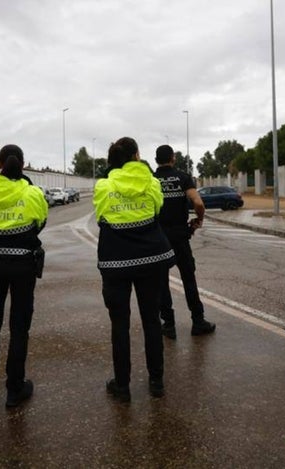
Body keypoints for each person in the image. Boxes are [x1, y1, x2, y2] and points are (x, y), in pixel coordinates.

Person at [94, 137, 175, 403]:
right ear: (137, 155)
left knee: (119, 324)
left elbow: (101, 216)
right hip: (152, 258)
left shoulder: (104, 185)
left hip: (116, 261)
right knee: (152, 320)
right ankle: (157, 381)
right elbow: (157, 208)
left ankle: (122, 385)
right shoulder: (151, 182)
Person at [0, 144, 48, 408]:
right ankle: (15, 387)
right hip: (23, 264)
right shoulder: (32, 192)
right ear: (23, 164)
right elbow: (40, 222)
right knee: (19, 326)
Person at [153, 144, 216, 339]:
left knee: (162, 280)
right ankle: (198, 321)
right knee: (188, 277)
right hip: (180, 236)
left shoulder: (151, 180)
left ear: (156, 160)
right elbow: (198, 203)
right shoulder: (182, 177)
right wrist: (198, 220)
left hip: (159, 237)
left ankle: (168, 324)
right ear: (173, 158)